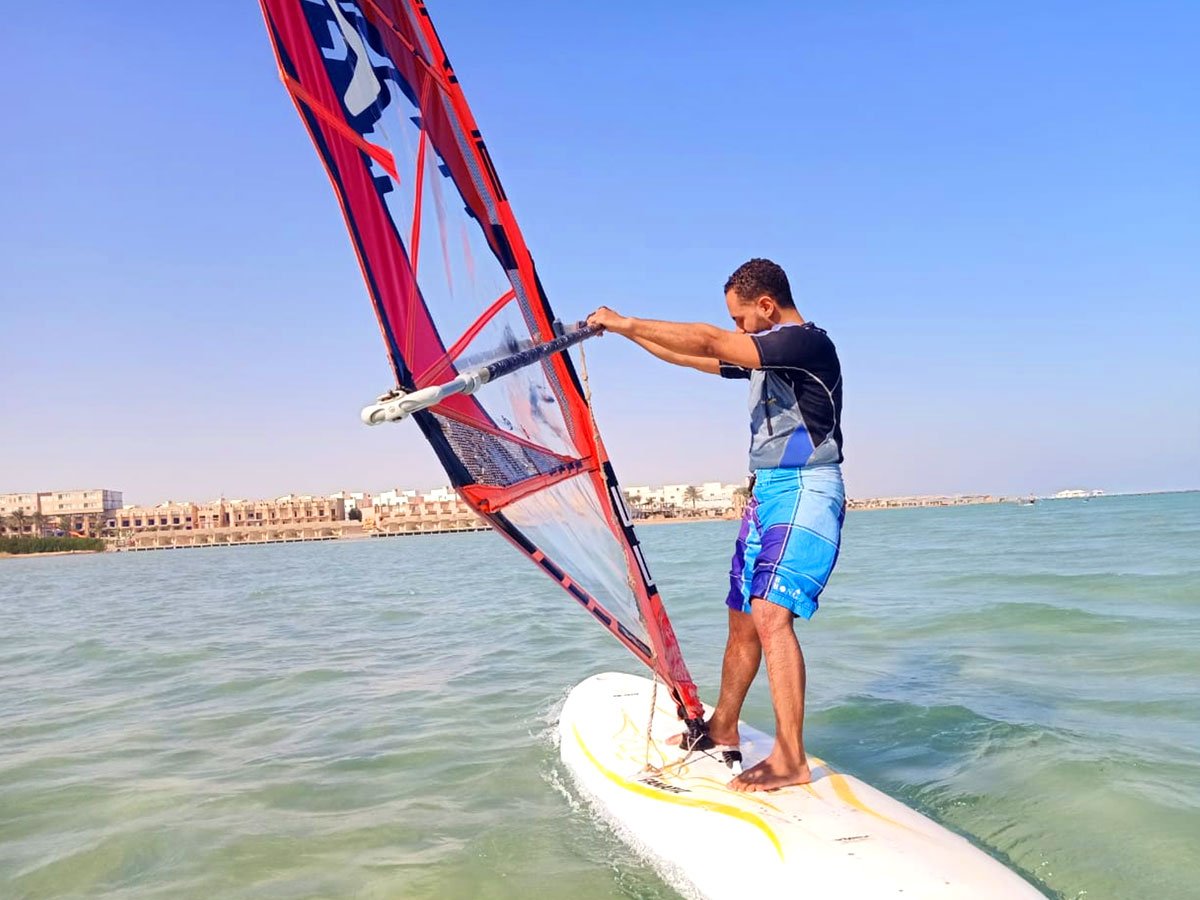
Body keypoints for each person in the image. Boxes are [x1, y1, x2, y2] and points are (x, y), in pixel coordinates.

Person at [587, 258, 845, 792]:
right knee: (743, 617)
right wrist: (625, 337)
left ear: (767, 306)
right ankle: (721, 728)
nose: (738, 329)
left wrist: (627, 320)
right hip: (766, 493)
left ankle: (790, 757)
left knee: (773, 615)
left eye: (742, 318)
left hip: (807, 488)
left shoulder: (805, 345)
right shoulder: (765, 357)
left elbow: (705, 341)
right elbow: (693, 357)